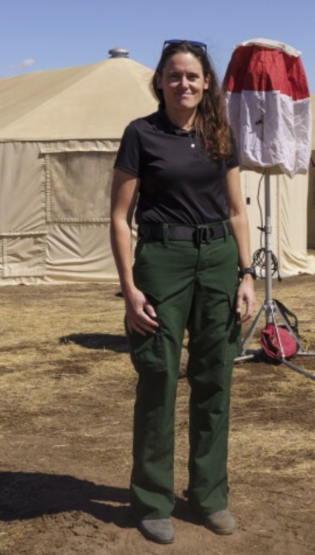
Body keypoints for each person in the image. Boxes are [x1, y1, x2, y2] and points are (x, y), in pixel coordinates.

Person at [109, 40, 256, 545]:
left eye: (192, 76)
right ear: (160, 82)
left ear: (206, 82)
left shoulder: (220, 133)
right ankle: (152, 500)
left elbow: (237, 210)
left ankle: (209, 495)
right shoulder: (141, 134)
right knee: (159, 377)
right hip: (163, 261)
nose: (184, 84)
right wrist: (129, 289)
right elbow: (119, 217)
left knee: (215, 378)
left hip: (218, 261)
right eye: (174, 76)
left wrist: (247, 273)